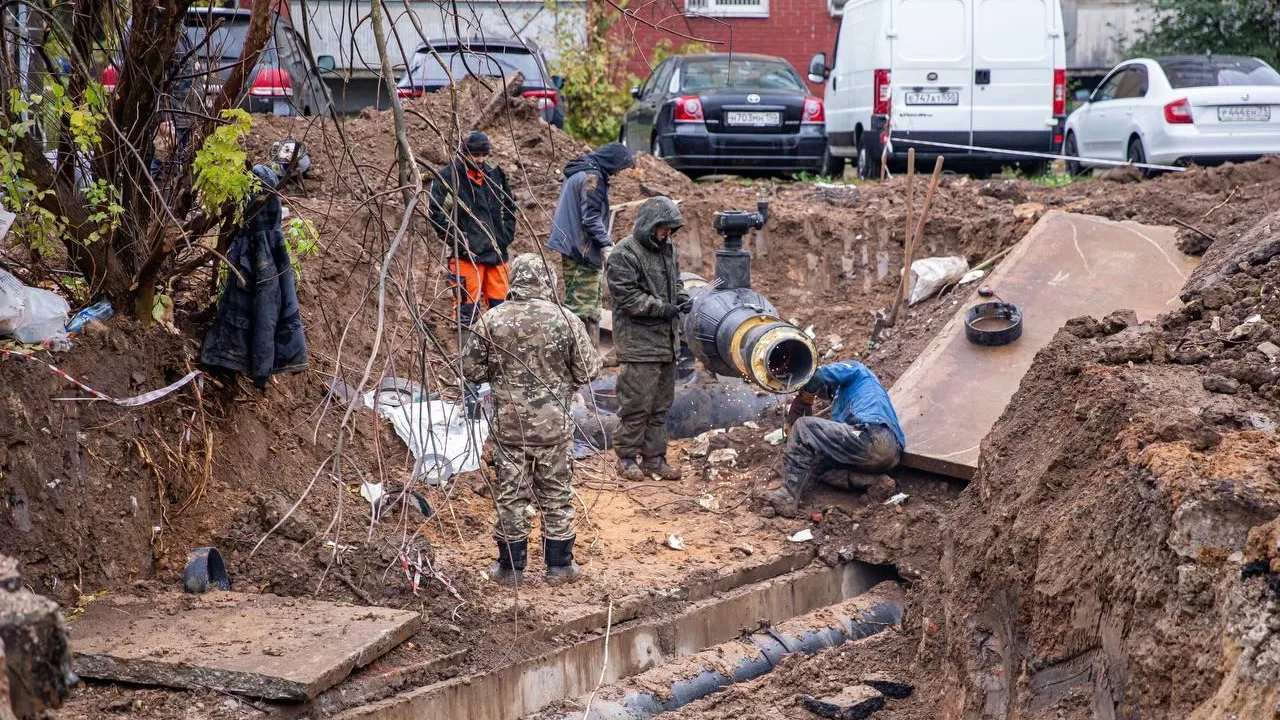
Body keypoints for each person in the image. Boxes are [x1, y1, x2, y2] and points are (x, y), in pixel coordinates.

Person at [461, 253, 602, 586]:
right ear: (548, 282)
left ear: (514, 280)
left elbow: (471, 369)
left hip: (511, 429)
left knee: (511, 497)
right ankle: (559, 567)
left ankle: (511, 570)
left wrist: (499, 373)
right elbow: (587, 369)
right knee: (557, 495)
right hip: (554, 428)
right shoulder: (566, 320)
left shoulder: (492, 320)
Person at [606, 196, 690, 482]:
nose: (667, 234)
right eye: (663, 228)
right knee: (636, 405)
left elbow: (675, 283)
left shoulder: (668, 250)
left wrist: (682, 299)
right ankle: (627, 457)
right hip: (638, 345)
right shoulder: (623, 254)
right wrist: (662, 308)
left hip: (666, 344)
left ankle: (655, 458)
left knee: (660, 406)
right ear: (649, 225)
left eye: (670, 229)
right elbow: (628, 298)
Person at [762, 361, 906, 517]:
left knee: (803, 426)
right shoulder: (844, 401)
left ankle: (787, 497)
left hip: (874, 435)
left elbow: (818, 376)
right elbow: (831, 443)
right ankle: (873, 482)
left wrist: (805, 398)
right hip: (887, 454)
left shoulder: (856, 370)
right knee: (818, 463)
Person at [429, 131, 517, 342]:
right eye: (475, 155)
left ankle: (500, 361)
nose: (480, 160)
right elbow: (435, 212)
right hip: (466, 257)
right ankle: (466, 363)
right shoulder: (449, 176)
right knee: (466, 313)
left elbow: (509, 207)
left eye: (483, 155)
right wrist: (461, 240)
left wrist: (503, 237)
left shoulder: (495, 174)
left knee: (503, 311)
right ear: (463, 153)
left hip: (497, 256)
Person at [547, 141, 635, 345]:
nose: (619, 173)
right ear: (613, 163)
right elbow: (591, 218)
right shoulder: (592, 178)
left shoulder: (582, 171)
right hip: (581, 249)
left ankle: (586, 356)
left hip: (572, 244)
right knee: (582, 308)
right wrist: (606, 244)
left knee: (586, 306)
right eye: (620, 168)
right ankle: (582, 358)